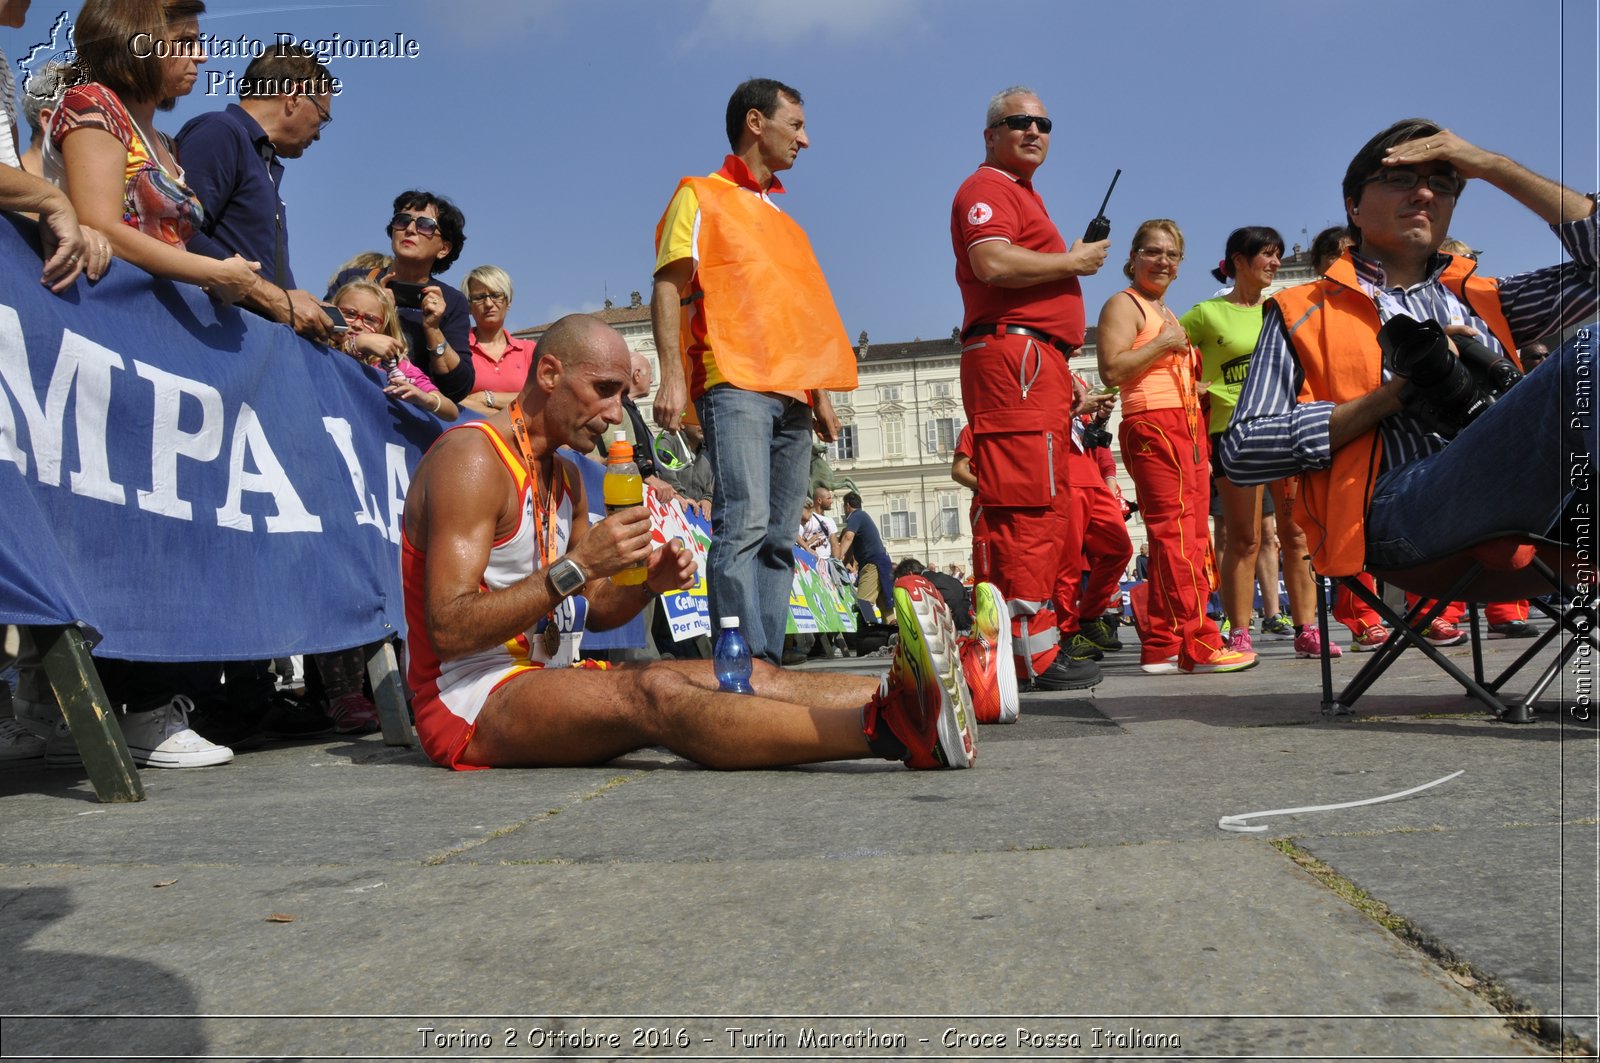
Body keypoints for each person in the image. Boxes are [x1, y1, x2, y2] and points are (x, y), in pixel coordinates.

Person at [400, 314, 976, 771]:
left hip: (543, 675)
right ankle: (891, 730)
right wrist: (579, 564)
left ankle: (932, 694)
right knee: (654, 690)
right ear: (548, 374)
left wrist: (645, 586)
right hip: (468, 698)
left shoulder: (566, 473)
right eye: (602, 391)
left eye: (621, 396)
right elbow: (449, 630)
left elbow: (591, 612)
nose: (612, 414)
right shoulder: (472, 459)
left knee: (748, 672)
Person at [1221, 120, 1597, 599]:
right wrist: (1395, 394)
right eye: (1400, 179)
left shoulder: (1487, 298)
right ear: (1353, 207)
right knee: (1591, 350)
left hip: (1534, 506)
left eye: (1442, 185)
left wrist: (1492, 166)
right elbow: (1242, 452)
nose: (1424, 194)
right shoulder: (1302, 311)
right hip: (1395, 514)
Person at [649, 78, 855, 667]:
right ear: (756, 123)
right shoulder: (699, 194)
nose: (806, 139)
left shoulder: (788, 225)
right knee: (743, 523)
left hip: (792, 394)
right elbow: (669, 284)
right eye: (796, 125)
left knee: (782, 538)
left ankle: (767, 662)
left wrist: (818, 394)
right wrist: (671, 376)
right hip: (734, 382)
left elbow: (800, 315)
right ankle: (735, 656)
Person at [948, 85, 1107, 691]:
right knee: (1027, 503)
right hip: (1016, 356)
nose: (1034, 130)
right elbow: (991, 262)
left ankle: (1018, 646)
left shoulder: (1014, 192)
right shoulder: (987, 188)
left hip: (1032, 359)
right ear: (991, 134)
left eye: (1043, 123)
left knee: (1038, 500)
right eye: (1018, 122)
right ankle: (1028, 655)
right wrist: (1072, 263)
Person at [1096, 219, 1256, 675]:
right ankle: (1198, 640)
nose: (1162, 261)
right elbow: (1112, 370)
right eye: (1152, 251)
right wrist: (1165, 344)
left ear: (1181, 264)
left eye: (1171, 254)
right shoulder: (1124, 305)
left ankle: (1163, 641)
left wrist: (1196, 386)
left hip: (1184, 426)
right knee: (1177, 535)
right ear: (1133, 257)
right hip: (1155, 425)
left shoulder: (1162, 311)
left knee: (1190, 535)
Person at [1182, 227, 1343, 661]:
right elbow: (1166, 350)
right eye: (1266, 256)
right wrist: (1193, 384)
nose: (1274, 263)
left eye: (1276, 256)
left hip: (1284, 429)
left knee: (1295, 536)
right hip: (1233, 432)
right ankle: (1239, 632)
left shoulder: (1285, 309)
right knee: (1243, 539)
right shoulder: (1205, 314)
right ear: (1238, 260)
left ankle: (1307, 629)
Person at [47, 0, 258, 309]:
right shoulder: (92, 102)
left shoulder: (167, 144)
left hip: (151, 323)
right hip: (97, 308)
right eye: (184, 43)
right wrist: (214, 272)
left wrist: (212, 279)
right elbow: (101, 226)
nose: (201, 56)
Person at [175, 44, 334, 340]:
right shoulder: (220, 131)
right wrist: (274, 299)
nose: (319, 133)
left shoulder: (259, 159)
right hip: (205, 340)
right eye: (322, 116)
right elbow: (177, 231)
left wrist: (296, 303)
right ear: (295, 97)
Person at [327, 191, 475, 402]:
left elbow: (458, 389)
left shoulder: (451, 301)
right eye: (402, 221)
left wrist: (433, 329)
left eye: (425, 225)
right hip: (345, 396)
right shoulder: (352, 280)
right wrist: (371, 312)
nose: (410, 229)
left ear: (444, 248)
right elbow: (319, 333)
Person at [331, 279, 459, 420]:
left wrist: (426, 399)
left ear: (384, 328)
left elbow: (452, 412)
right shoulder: (318, 346)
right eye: (349, 313)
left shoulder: (396, 367)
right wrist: (356, 344)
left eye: (370, 319)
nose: (357, 324)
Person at [459, 264, 536, 416]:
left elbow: (538, 399)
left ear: (509, 302)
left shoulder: (529, 350)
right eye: (480, 297)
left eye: (495, 295)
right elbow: (452, 402)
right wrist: (512, 412)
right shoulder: (458, 349)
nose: (488, 304)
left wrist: (486, 397)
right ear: (468, 306)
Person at [837, 491, 894, 617]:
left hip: (872, 564)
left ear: (847, 505)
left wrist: (836, 558)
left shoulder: (855, 516)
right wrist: (841, 564)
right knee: (885, 606)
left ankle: (866, 633)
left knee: (863, 603)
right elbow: (851, 549)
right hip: (881, 563)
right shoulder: (863, 516)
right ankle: (893, 633)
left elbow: (848, 537)